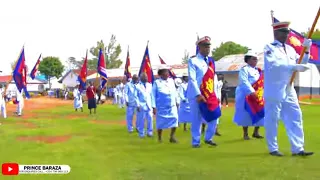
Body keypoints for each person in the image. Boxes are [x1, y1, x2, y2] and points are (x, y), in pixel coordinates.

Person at [264, 21, 313, 156]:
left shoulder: (291, 50)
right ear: (276, 33)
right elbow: (275, 65)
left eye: (287, 32)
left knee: (295, 115)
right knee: (272, 119)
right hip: (274, 88)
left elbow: (301, 62)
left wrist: (307, 50)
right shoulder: (269, 48)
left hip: (288, 87)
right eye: (283, 32)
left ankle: (298, 148)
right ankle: (273, 148)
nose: (286, 35)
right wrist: (293, 67)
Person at [187, 36, 220, 148]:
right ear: (199, 47)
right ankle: (196, 142)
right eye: (205, 46)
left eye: (208, 46)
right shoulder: (193, 61)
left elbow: (213, 79)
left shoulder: (211, 61)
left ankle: (208, 138)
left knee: (215, 115)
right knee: (197, 119)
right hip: (197, 94)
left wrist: (216, 93)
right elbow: (192, 79)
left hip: (210, 94)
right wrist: (197, 94)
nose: (207, 48)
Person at [233, 51, 264, 140]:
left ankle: (256, 132)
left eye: (256, 59)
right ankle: (245, 134)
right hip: (246, 95)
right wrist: (251, 91)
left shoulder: (258, 71)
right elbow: (244, 81)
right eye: (253, 59)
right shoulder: (244, 69)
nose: (255, 61)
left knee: (260, 111)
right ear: (248, 60)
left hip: (258, 94)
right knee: (245, 113)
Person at [152, 64, 179, 143]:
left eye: (167, 72)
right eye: (165, 72)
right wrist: (154, 107)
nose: (167, 73)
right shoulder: (157, 82)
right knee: (160, 122)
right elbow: (153, 95)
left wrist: (177, 102)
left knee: (175, 119)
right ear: (161, 73)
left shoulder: (171, 81)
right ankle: (159, 138)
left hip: (172, 105)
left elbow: (174, 92)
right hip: (161, 106)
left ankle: (172, 136)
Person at [136, 72, 153, 137]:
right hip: (141, 105)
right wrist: (138, 105)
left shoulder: (150, 85)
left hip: (149, 105)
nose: (146, 78)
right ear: (141, 78)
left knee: (150, 119)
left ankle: (149, 132)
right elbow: (136, 96)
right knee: (141, 120)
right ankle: (141, 133)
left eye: (146, 77)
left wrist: (153, 105)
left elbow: (151, 95)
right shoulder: (137, 86)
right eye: (144, 77)